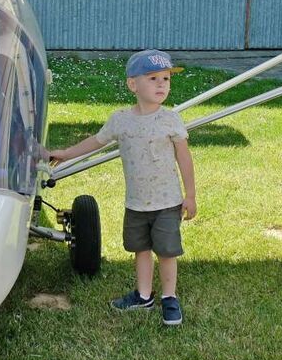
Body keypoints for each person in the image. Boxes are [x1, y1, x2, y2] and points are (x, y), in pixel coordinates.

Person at [49, 49, 197, 326]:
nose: (162, 84)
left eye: (166, 78)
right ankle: (143, 295)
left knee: (166, 251)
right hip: (136, 202)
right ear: (133, 84)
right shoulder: (120, 119)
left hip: (167, 202)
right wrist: (67, 153)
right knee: (141, 248)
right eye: (153, 78)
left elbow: (184, 158)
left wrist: (190, 195)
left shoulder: (170, 119)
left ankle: (169, 298)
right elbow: (96, 141)